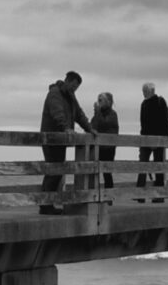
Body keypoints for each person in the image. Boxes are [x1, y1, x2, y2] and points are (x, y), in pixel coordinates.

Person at [38, 71, 87, 209]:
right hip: (50, 139)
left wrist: (89, 128)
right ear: (68, 81)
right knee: (54, 172)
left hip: (60, 140)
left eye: (77, 87)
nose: (75, 89)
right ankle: (45, 205)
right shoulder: (55, 93)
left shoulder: (70, 96)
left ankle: (47, 204)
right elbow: (57, 113)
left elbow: (79, 114)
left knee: (56, 172)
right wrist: (66, 128)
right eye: (74, 86)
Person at [136, 81, 168, 194]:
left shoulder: (160, 102)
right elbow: (143, 123)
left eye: (145, 91)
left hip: (158, 139)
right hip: (148, 139)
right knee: (144, 166)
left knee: (158, 167)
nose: (144, 93)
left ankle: (159, 194)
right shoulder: (144, 104)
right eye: (143, 91)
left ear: (152, 91)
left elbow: (166, 120)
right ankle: (140, 193)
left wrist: (164, 136)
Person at [90, 91, 121, 190]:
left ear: (108, 101)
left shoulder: (113, 114)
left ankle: (109, 195)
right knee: (94, 171)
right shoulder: (98, 114)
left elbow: (104, 124)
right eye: (98, 100)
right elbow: (94, 126)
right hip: (98, 147)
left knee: (107, 172)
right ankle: (95, 194)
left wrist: (97, 112)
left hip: (108, 148)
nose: (98, 102)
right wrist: (96, 113)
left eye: (100, 100)